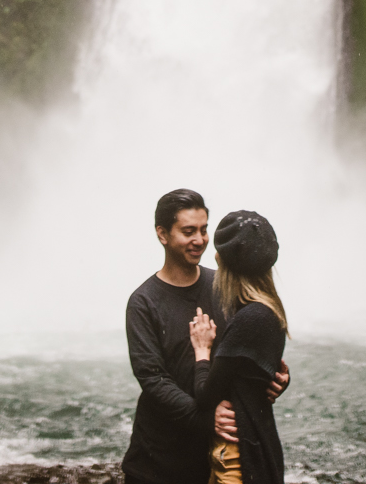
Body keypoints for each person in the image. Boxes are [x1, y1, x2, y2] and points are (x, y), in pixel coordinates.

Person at [123, 190, 288, 484]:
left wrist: (272, 378)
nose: (199, 240)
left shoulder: (223, 283)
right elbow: (152, 378)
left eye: (203, 230)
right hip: (158, 458)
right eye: (188, 232)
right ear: (162, 234)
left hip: (215, 457)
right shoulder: (143, 302)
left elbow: (247, 350)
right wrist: (204, 417)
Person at [189, 210, 287, 484]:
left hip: (237, 457)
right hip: (253, 443)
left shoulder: (249, 320)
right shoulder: (270, 311)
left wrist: (201, 349)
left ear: (225, 264)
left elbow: (206, 398)